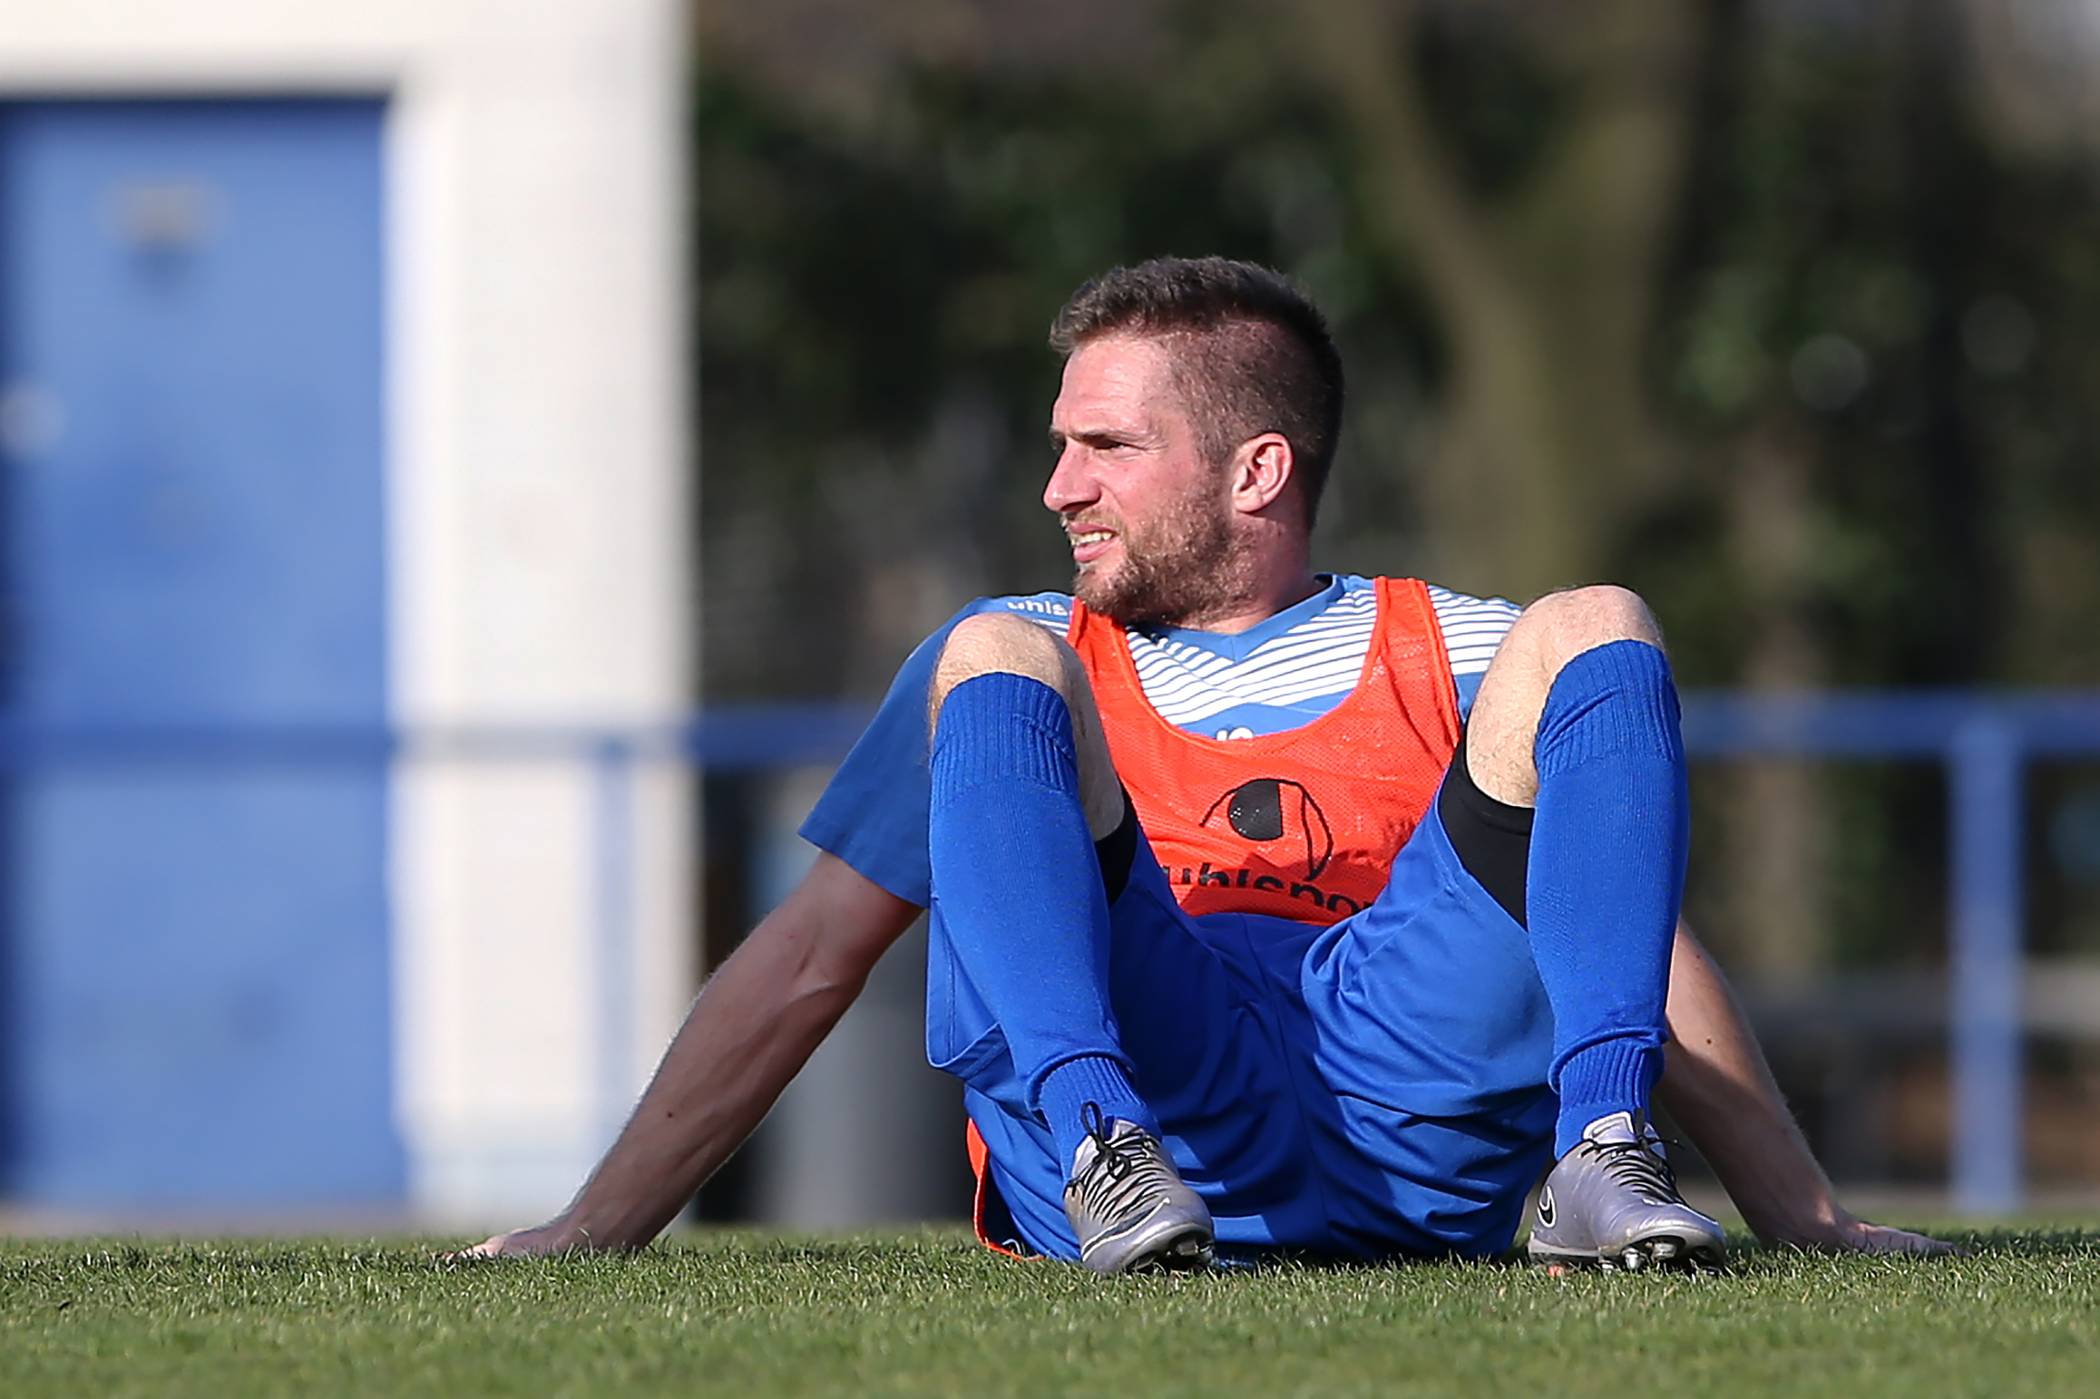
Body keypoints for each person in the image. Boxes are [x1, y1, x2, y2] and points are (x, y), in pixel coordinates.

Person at [457, 257, 1948, 1272]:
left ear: (1256, 472)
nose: (1060, 487)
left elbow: (1635, 940)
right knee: (992, 654)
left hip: (1401, 1124)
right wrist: (598, 1229)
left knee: (1601, 624)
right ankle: (1102, 1140)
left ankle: (1602, 1160)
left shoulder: (1463, 650)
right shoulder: (1027, 662)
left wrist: (1801, 1216)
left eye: (1106, 447)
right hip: (1162, 1125)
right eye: (1062, 444)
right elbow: (805, 963)